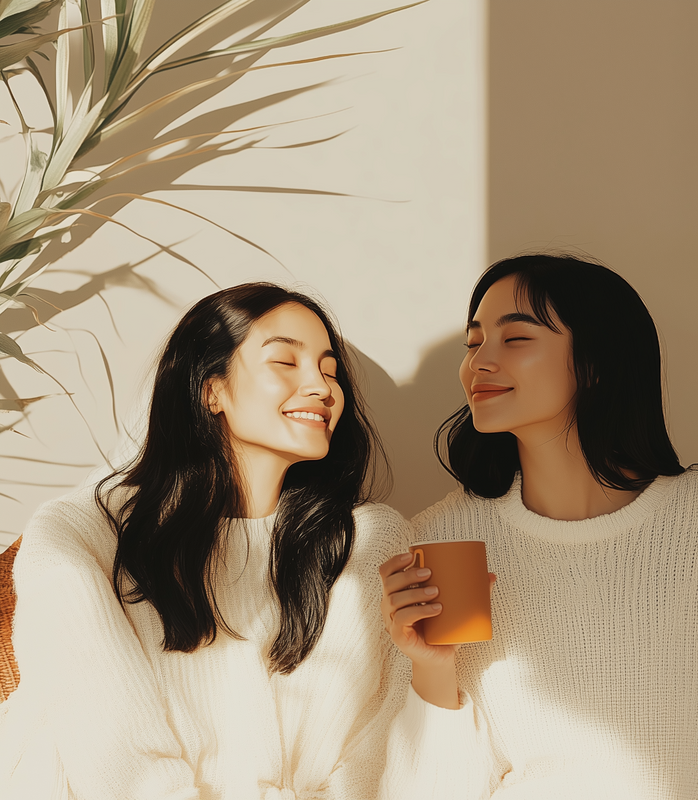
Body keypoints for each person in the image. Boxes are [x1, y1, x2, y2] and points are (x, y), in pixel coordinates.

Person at [379, 254, 698, 799]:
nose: (479, 362)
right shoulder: (449, 537)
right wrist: (430, 668)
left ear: (596, 362)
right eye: (474, 342)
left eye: (516, 339)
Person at [0, 283, 411, 800]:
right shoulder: (88, 530)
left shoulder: (368, 542)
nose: (322, 387)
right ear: (209, 388)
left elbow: (386, 741)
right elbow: (104, 741)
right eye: (285, 361)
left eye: (330, 371)